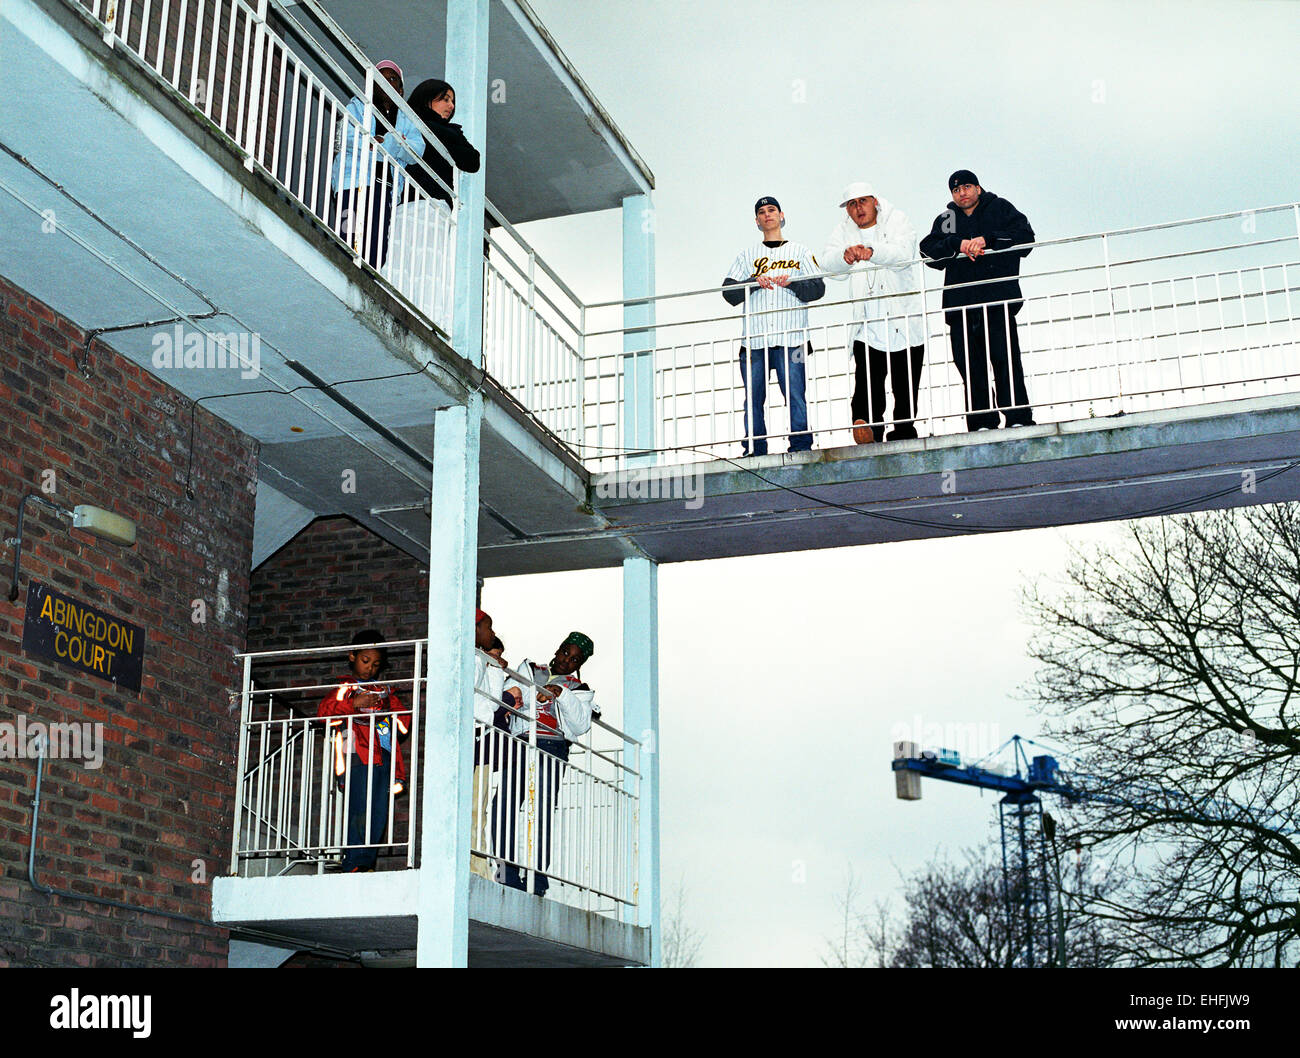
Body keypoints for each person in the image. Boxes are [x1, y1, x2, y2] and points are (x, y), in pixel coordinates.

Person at [919, 170, 1037, 431]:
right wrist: (958, 244)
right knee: (970, 368)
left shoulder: (1000, 208)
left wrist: (989, 240)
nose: (962, 193)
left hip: (998, 302)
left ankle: (1018, 417)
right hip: (960, 307)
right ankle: (981, 421)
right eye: (956, 189)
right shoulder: (947, 218)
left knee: (1006, 360)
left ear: (979, 188)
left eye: (967, 187)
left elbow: (1026, 237)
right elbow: (927, 249)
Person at [493, 632, 600, 897]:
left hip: (551, 747)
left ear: (580, 664)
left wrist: (561, 694)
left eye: (575, 659)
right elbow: (511, 694)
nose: (567, 661)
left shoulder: (580, 689)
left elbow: (580, 724)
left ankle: (537, 878)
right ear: (558, 649)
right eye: (565, 652)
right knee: (503, 805)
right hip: (519, 742)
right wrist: (538, 695)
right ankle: (507, 872)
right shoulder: (530, 668)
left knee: (540, 812)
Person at [823, 182, 928, 445]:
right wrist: (844, 256)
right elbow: (828, 265)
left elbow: (904, 254)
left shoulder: (897, 219)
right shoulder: (843, 231)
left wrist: (872, 252)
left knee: (905, 381)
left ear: (875, 202)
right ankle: (866, 425)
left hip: (901, 317)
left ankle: (904, 429)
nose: (858, 208)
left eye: (863, 201)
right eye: (851, 204)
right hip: (867, 321)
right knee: (866, 378)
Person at [722, 197, 825, 456]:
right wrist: (754, 281)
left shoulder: (800, 251)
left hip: (791, 337)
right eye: (761, 212)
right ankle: (755, 448)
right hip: (755, 340)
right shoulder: (746, 255)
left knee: (795, 395)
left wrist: (792, 283)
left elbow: (818, 289)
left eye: (771, 210)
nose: (767, 215)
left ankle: (801, 445)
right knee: (753, 399)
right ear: (756, 221)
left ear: (781, 215)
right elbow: (728, 293)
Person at [385, 79, 481, 332]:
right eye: (444, 99)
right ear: (427, 98)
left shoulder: (448, 131)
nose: (450, 105)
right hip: (405, 202)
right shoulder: (407, 120)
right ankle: (393, 304)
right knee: (401, 255)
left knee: (428, 261)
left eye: (453, 101)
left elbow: (472, 161)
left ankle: (424, 319)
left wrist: (440, 133)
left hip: (435, 204)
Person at [316, 631, 410, 872]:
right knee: (359, 809)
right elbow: (324, 714)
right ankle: (353, 863)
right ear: (352, 656)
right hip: (355, 755)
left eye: (376, 664)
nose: (369, 668)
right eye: (365, 661)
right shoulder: (345, 688)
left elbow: (404, 723)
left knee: (378, 813)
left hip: (384, 757)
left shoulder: (384, 691)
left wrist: (387, 706)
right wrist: (354, 704)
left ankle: (366, 863)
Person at [331, 60, 423, 271]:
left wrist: (389, 143)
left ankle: (367, 280)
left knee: (376, 242)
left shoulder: (407, 119)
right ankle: (347, 273)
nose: (387, 82)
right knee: (350, 232)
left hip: (386, 190)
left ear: (400, 90)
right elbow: (346, 136)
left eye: (392, 79)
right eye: (381, 78)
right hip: (353, 183)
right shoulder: (357, 106)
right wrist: (382, 143)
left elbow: (417, 151)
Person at [471, 609, 520, 881]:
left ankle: (478, 865)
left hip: (481, 746)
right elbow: (485, 708)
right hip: (472, 743)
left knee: (478, 810)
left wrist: (495, 669)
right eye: (488, 628)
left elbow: (489, 703)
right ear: (476, 629)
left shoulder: (482, 662)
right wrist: (509, 701)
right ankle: (473, 866)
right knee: (472, 810)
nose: (491, 633)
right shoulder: (472, 658)